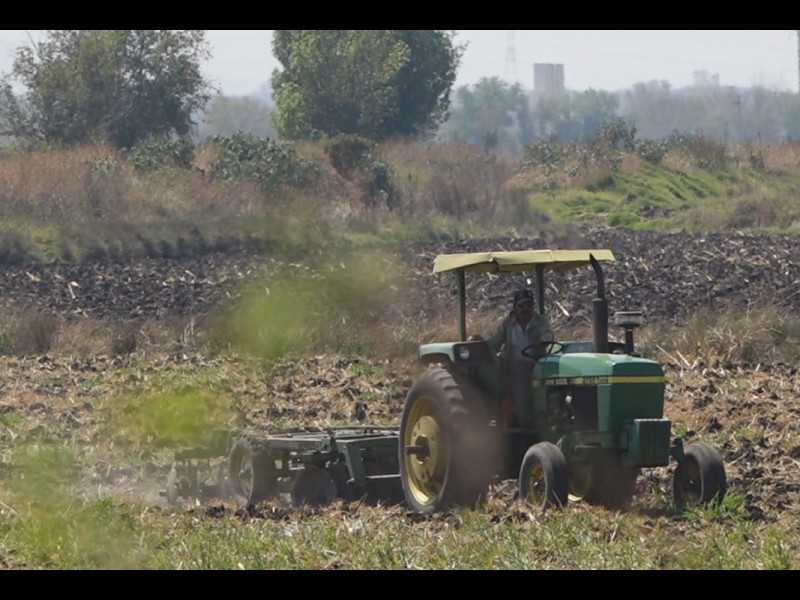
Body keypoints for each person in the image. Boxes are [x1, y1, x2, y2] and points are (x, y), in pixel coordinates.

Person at [482, 288, 554, 428]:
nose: (525, 310)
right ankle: (526, 425)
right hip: (514, 367)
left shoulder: (540, 320)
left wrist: (543, 340)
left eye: (529, 306)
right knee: (520, 387)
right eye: (522, 306)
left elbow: (548, 334)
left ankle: (547, 420)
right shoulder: (508, 323)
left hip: (535, 365)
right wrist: (480, 343)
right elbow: (494, 342)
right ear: (515, 308)